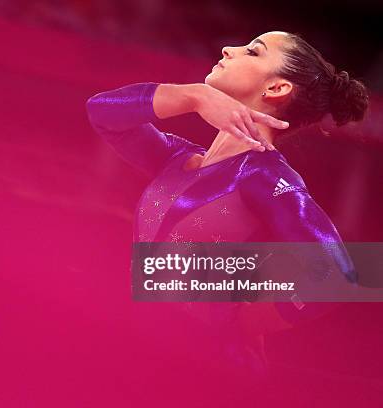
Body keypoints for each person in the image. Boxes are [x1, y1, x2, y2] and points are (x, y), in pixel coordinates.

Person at [85, 31, 369, 377]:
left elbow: (336, 275)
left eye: (252, 51)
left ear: (276, 89)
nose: (228, 49)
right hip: (136, 350)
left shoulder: (265, 176)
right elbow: (101, 111)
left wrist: (244, 322)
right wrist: (194, 95)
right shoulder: (178, 158)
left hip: (201, 370)